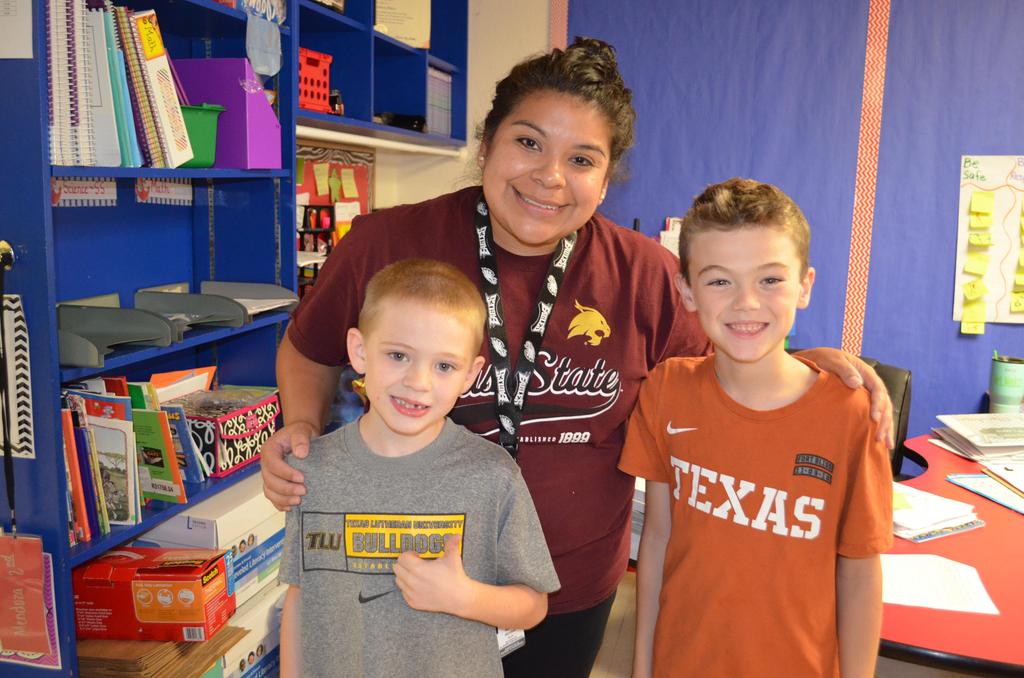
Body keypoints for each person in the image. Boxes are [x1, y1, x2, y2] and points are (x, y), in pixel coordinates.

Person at [262, 38, 894, 677]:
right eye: (529, 143)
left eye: (582, 158)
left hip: (568, 587)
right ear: (487, 143)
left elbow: (724, 366)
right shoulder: (387, 241)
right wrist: (303, 428)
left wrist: (802, 360)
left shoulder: (644, 275)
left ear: (607, 175)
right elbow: (309, 349)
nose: (550, 177)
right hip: (401, 570)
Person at [621, 178, 893, 678]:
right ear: (686, 290)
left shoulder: (851, 413)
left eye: (770, 279)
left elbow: (859, 572)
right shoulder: (666, 391)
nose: (746, 302)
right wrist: (643, 667)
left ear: (805, 285)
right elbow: (657, 539)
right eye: (720, 280)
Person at [279, 259, 560, 678]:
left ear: (470, 374)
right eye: (398, 355)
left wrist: (464, 597)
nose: (419, 382)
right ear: (359, 351)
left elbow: (534, 603)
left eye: (444, 366)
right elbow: (301, 598)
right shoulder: (312, 471)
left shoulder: (492, 475)